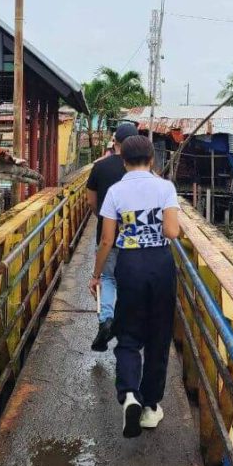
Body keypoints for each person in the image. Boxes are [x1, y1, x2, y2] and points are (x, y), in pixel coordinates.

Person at [89, 135, 180, 439]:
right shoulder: (165, 188)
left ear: (124, 160)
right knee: (158, 334)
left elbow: (106, 240)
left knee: (128, 333)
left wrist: (97, 274)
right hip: (160, 264)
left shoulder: (116, 191)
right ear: (152, 159)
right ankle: (150, 406)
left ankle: (129, 393)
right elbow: (171, 231)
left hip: (129, 265)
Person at [86, 122, 139, 351]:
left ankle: (106, 319)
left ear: (114, 142)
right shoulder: (141, 172)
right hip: (135, 237)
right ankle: (127, 325)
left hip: (107, 234)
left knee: (107, 278)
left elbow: (91, 202)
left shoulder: (100, 167)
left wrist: (104, 216)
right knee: (129, 281)